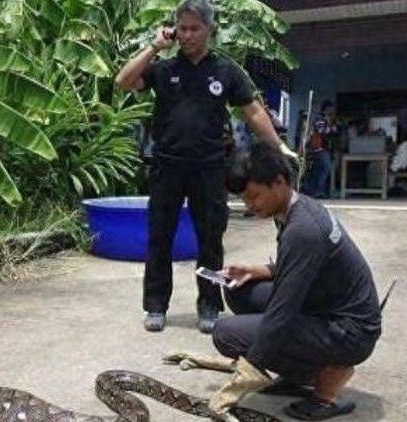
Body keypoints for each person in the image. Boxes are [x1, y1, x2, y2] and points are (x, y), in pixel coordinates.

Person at [114, 0, 297, 333]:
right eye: (182, 28)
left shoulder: (226, 71)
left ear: (209, 30)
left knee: (210, 240)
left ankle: (210, 305)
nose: (187, 35)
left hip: (210, 168)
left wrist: (279, 147)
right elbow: (123, 81)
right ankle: (155, 306)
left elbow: (253, 112)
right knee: (159, 238)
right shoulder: (164, 69)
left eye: (194, 29)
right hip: (166, 167)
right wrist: (155, 46)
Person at [208, 142, 381, 420]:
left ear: (280, 181)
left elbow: (281, 314)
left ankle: (326, 383)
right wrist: (258, 270)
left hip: (350, 331)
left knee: (226, 334)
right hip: (328, 306)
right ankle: (298, 371)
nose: (250, 206)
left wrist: (248, 373)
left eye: (255, 196)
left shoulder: (303, 230)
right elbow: (306, 265)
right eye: (244, 199)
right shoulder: (295, 208)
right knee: (240, 292)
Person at [303, 100, 340, 198]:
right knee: (325, 168)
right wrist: (331, 126)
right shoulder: (320, 119)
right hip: (319, 149)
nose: (332, 110)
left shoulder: (330, 120)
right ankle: (317, 190)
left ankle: (313, 190)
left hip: (326, 148)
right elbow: (322, 131)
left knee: (319, 169)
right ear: (326, 109)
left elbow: (335, 131)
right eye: (331, 108)